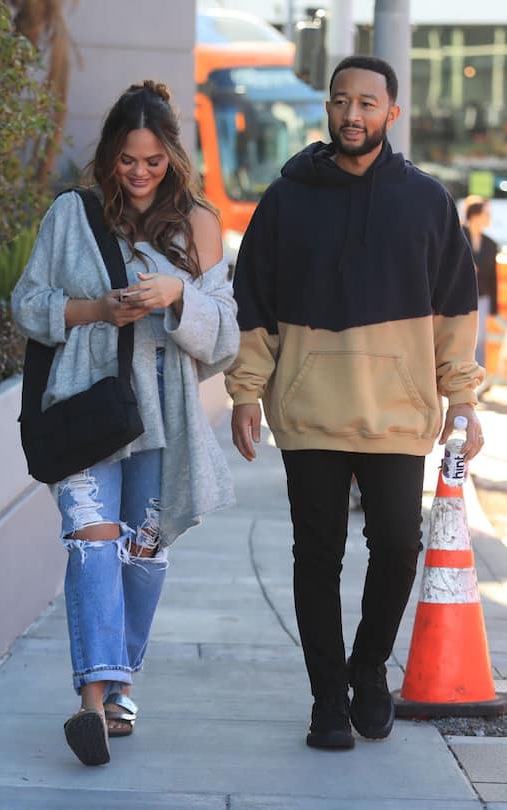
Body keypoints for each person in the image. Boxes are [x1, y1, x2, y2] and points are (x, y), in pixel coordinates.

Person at [225, 55, 485, 751]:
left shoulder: (428, 201)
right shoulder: (285, 198)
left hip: (397, 415)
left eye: (367, 103)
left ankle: (368, 668)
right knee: (316, 555)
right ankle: (326, 702)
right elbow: (254, 301)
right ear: (329, 110)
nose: (352, 114)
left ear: (390, 114)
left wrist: (462, 400)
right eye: (341, 101)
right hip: (310, 412)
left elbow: (456, 311)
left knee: (399, 544)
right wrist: (247, 391)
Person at [12, 80, 239, 766]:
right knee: (89, 543)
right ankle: (91, 702)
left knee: (143, 555)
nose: (139, 174)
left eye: (153, 161)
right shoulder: (70, 216)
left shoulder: (198, 225)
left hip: (162, 418)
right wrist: (96, 310)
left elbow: (227, 336)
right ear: (110, 154)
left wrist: (176, 296)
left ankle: (118, 685)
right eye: (127, 160)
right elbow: (28, 304)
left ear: (172, 157)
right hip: (86, 406)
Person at [462, 198, 498, 368]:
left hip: (482, 297)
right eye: (486, 213)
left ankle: (478, 379)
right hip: (458, 297)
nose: (489, 217)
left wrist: (494, 308)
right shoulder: (457, 236)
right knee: (459, 338)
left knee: (480, 338)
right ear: (475, 215)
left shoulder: (491, 244)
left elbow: (493, 278)